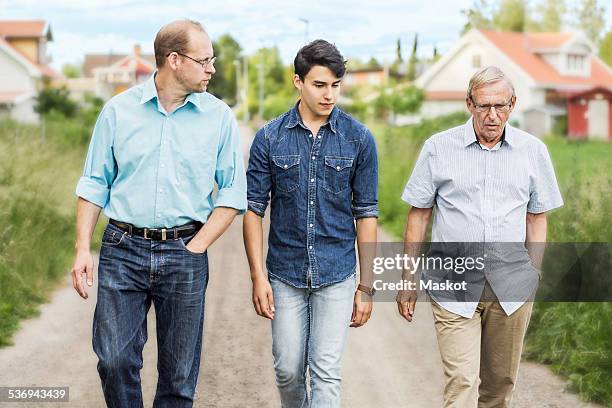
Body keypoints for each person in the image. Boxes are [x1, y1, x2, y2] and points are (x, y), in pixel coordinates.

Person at [70, 19, 246, 407]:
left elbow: (234, 192)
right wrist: (83, 247)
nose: (212, 69)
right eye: (205, 60)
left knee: (179, 378)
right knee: (115, 361)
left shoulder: (218, 117)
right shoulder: (118, 111)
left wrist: (197, 245)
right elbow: (94, 182)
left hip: (185, 251)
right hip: (122, 248)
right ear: (174, 60)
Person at [397, 66, 563, 407]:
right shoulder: (439, 148)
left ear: (513, 104)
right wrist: (407, 279)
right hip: (453, 283)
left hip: (511, 288)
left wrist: (533, 273)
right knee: (461, 383)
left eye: (500, 106)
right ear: (469, 104)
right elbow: (419, 215)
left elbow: (536, 217)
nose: (492, 115)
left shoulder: (533, 151)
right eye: (484, 106)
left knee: (499, 388)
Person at [243, 39, 378, 407]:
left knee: (325, 371)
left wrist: (366, 286)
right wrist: (258, 277)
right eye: (320, 85)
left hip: (337, 272)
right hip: (285, 273)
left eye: (336, 85)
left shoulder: (359, 139)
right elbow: (253, 212)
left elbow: (366, 214)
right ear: (297, 82)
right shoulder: (269, 138)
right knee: (288, 370)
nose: (329, 94)